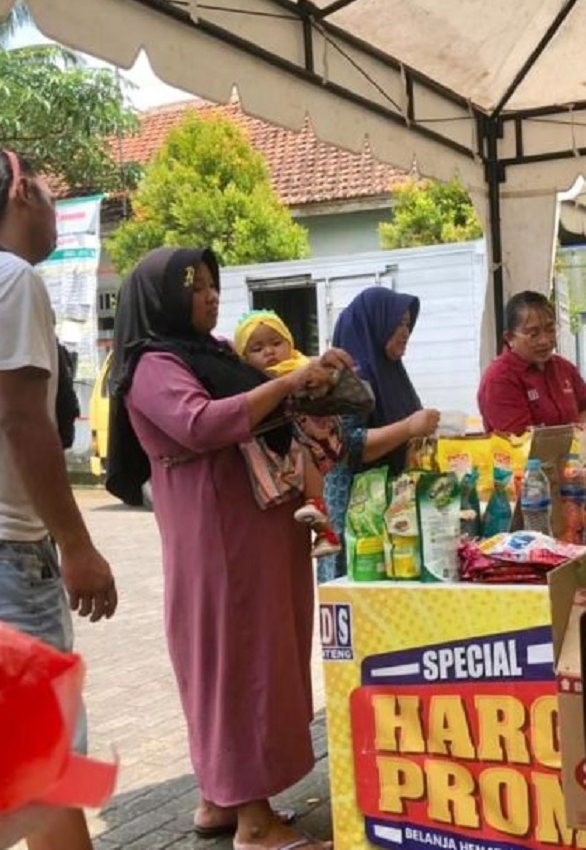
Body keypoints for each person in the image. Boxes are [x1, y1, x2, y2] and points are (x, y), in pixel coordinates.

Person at [106, 246, 344, 850]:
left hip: (251, 535)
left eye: (213, 284)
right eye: (196, 287)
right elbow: (201, 424)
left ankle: (221, 797)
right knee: (236, 664)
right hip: (222, 540)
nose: (211, 296)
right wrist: (287, 381)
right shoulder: (154, 364)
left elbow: (265, 404)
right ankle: (255, 824)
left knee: (253, 658)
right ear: (163, 297)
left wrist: (311, 377)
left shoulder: (207, 352)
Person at [0, 146, 118, 850]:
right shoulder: (9, 278)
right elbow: (22, 419)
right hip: (5, 555)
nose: (54, 210)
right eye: (48, 192)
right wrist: (77, 544)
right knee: (47, 771)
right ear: (19, 191)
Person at [322, 287, 440, 579]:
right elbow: (347, 446)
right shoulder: (350, 377)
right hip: (357, 520)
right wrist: (409, 427)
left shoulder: (392, 372)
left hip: (390, 512)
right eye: (397, 323)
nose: (406, 332)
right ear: (374, 324)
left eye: (408, 324)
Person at [234, 310, 341, 558]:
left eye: (276, 342)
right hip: (287, 447)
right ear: (244, 357)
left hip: (314, 437)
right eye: (257, 348)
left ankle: (317, 507)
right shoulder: (250, 380)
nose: (269, 352)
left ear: (289, 343)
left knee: (305, 457)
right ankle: (326, 534)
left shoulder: (303, 367)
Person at [477, 290, 586, 434]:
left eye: (550, 330)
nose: (545, 341)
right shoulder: (499, 378)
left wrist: (582, 433)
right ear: (509, 338)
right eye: (533, 334)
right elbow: (521, 438)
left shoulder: (564, 367)